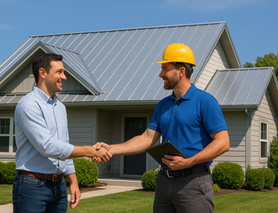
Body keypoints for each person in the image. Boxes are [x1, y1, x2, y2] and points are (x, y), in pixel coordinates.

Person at [94, 43, 230, 213]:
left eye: (165, 69)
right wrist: (112, 148)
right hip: (164, 183)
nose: (161, 74)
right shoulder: (163, 105)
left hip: (193, 182)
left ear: (181, 71)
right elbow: (146, 138)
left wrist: (188, 162)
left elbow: (223, 142)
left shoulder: (205, 102)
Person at [13, 53, 112, 213]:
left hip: (58, 186)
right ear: (43, 73)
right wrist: (91, 151)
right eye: (59, 72)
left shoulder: (60, 107)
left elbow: (63, 147)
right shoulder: (28, 105)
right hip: (32, 186)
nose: (64, 77)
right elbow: (47, 146)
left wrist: (73, 181)